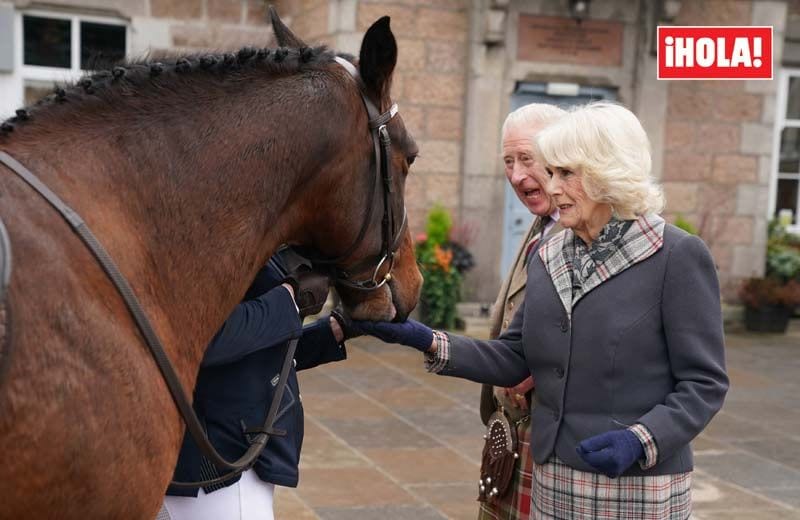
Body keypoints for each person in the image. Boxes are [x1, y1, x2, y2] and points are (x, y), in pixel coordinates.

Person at [355, 101, 729, 520]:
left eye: (565, 173)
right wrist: (425, 340)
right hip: (554, 484)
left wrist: (641, 440)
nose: (551, 188)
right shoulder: (548, 252)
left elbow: (704, 382)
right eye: (551, 173)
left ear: (609, 171)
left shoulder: (676, 255)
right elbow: (517, 357)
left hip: (638, 489)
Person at [159, 249, 348, 520]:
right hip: (213, 467)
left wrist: (333, 332)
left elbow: (257, 354)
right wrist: (289, 299)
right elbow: (206, 339)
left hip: (229, 459)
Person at [477, 103, 564, 520]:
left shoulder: (581, 228)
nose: (515, 175)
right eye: (508, 161)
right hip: (510, 424)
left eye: (526, 159)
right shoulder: (543, 221)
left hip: (549, 430)